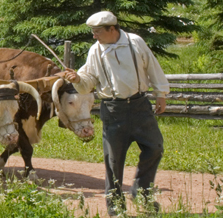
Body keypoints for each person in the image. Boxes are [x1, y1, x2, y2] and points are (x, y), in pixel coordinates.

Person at [65, 11, 169, 216]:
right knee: (113, 162)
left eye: (97, 31)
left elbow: (152, 66)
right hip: (113, 110)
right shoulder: (95, 51)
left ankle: (142, 193)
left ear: (112, 29)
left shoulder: (135, 42)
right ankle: (115, 210)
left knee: (155, 148)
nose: (94, 36)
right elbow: (87, 83)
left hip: (140, 107)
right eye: (92, 32)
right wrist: (77, 79)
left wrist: (161, 94)